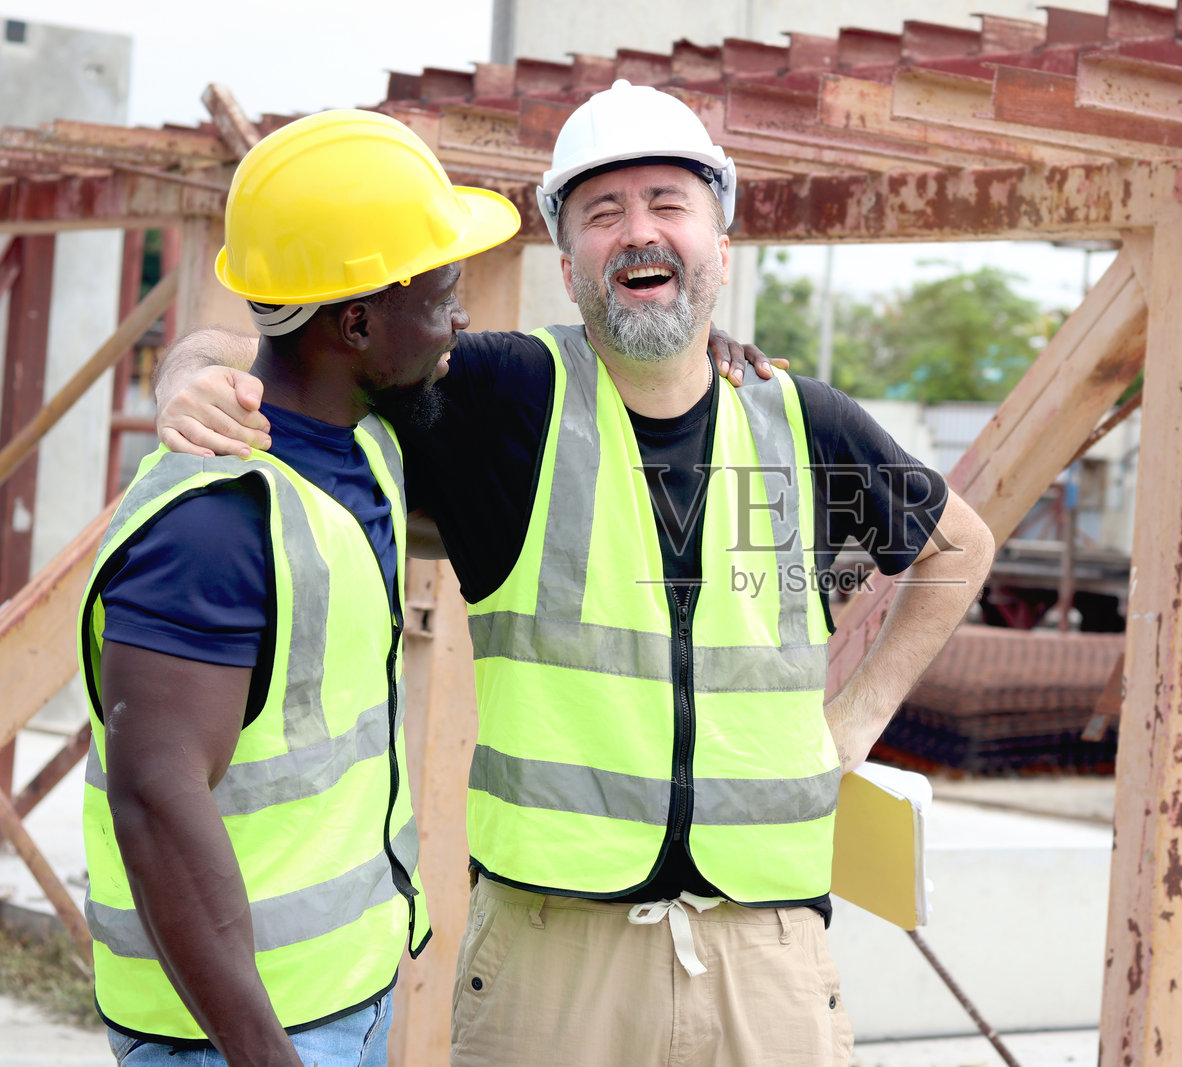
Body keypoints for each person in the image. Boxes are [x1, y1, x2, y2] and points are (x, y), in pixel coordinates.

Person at [157, 80, 995, 1067]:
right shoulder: (499, 401)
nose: (639, 232)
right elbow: (285, 347)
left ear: (721, 246)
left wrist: (854, 721)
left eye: (668, 204)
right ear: (567, 261)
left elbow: (957, 546)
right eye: (604, 212)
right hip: (556, 961)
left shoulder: (799, 422)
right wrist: (191, 374)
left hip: (765, 953)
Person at [80, 109, 520, 1066]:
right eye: (445, 291)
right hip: (234, 1036)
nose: (462, 318)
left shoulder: (365, 438)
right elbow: (153, 797)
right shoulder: (214, 523)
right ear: (356, 321)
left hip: (338, 998)